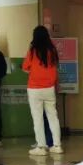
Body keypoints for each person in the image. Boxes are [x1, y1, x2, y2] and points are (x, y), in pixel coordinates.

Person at [22, 25, 62, 156]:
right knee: (53, 117)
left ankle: (41, 147)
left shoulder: (33, 50)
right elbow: (55, 68)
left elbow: (25, 67)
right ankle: (57, 146)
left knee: (37, 118)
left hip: (35, 89)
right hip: (49, 88)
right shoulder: (52, 50)